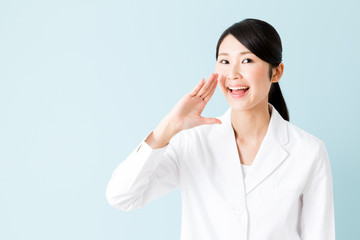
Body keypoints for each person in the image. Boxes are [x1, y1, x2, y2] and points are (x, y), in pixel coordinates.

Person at [106, 18, 335, 240]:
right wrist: (167, 128)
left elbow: (319, 234)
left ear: (276, 72)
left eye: (247, 61)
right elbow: (122, 196)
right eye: (224, 61)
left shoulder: (308, 151)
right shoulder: (193, 142)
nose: (233, 74)